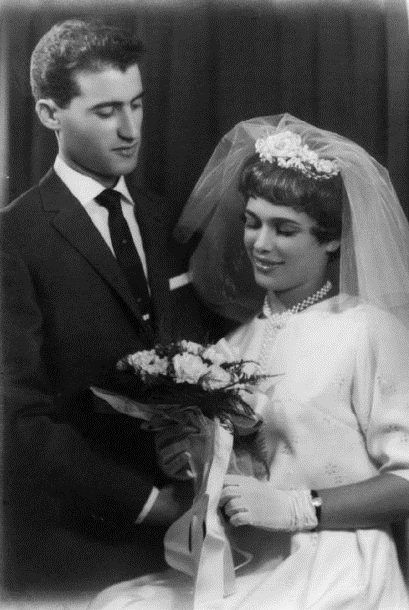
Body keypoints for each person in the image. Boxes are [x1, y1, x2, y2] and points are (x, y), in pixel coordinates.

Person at [87, 114, 409, 609]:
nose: (260, 244)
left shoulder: (365, 330)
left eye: (285, 230)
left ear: (331, 239)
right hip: (248, 562)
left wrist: (301, 507)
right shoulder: (232, 346)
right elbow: (238, 479)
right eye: (252, 222)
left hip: (338, 563)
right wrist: (191, 465)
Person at [0, 19, 227, 596]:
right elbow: (16, 423)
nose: (130, 130)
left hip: (191, 545)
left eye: (138, 105)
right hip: (72, 554)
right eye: (105, 112)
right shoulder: (14, 238)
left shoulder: (162, 217)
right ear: (50, 113)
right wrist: (153, 504)